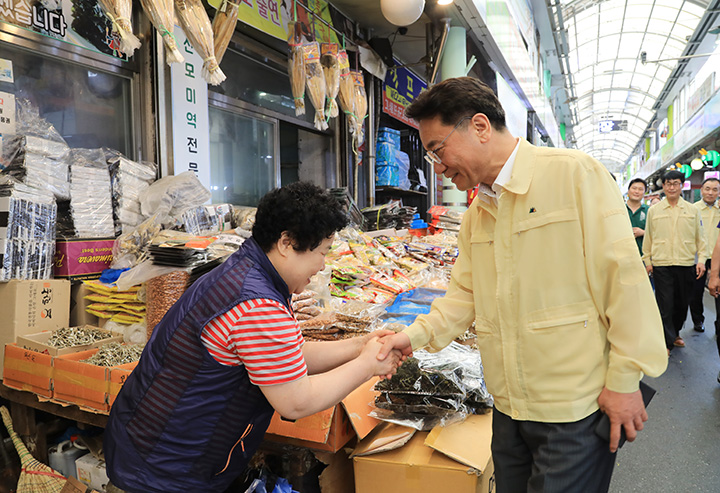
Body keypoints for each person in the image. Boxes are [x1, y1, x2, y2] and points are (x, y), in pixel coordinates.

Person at [376, 77, 667, 493]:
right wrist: (410, 336)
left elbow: (624, 283)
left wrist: (624, 381)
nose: (437, 167)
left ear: (480, 126)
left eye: (438, 150)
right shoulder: (479, 213)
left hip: (574, 411)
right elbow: (463, 297)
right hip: (510, 409)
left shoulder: (574, 175)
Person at [103, 182, 402, 493]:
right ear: (287, 243)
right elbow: (296, 402)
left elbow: (289, 357)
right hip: (165, 469)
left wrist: (359, 346)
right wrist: (368, 365)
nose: (323, 264)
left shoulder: (248, 271)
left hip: (153, 450)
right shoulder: (257, 305)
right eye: (322, 251)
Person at [642, 170, 706, 351]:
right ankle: (667, 342)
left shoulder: (692, 210)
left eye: (675, 183)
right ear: (663, 186)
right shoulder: (654, 211)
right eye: (668, 184)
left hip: (686, 264)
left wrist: (701, 260)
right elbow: (649, 238)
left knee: (681, 303)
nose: (671, 187)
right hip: (662, 264)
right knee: (665, 305)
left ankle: (675, 331)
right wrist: (647, 261)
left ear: (681, 185)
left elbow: (701, 238)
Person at [689, 178, 720, 333]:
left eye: (715, 189)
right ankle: (698, 320)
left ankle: (718, 324)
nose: (710, 192)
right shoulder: (693, 209)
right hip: (698, 257)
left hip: (718, 257)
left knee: (718, 292)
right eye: (707, 188)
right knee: (696, 292)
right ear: (701, 190)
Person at [626, 178, 649, 255]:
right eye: (634, 188)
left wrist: (643, 232)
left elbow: (657, 233)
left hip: (642, 256)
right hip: (622, 256)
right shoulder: (620, 210)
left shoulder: (649, 211)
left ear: (644, 193)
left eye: (640, 189)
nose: (637, 192)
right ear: (628, 191)